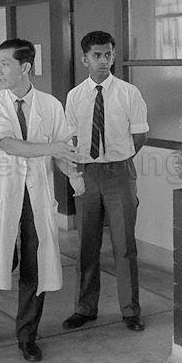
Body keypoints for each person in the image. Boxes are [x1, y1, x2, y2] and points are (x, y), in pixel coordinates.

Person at [0, 39, 83, 362]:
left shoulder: (50, 105)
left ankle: (27, 336)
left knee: (36, 263)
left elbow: (63, 149)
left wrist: (73, 175)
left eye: (5, 63)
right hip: (6, 195)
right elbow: (9, 145)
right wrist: (54, 150)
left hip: (38, 196)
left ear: (26, 68)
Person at [62, 30, 149, 333]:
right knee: (87, 244)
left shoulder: (129, 93)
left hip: (119, 173)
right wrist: (82, 169)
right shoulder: (75, 96)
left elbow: (139, 136)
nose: (103, 61)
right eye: (97, 55)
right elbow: (69, 138)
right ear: (85, 59)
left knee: (124, 244)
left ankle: (130, 310)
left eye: (108, 54)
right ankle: (85, 308)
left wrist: (116, 159)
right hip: (87, 173)